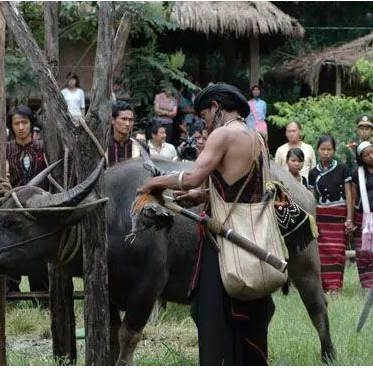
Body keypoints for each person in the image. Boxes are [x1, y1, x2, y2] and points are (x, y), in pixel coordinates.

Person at [137, 83, 274, 365]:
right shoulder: (257, 137)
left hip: (225, 243)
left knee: (213, 317)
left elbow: (191, 177)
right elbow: (242, 191)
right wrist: (199, 196)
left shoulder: (223, 134)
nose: (205, 123)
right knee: (247, 321)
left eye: (205, 116)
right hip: (252, 240)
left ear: (216, 107)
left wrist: (152, 182)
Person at [5, 105, 49, 293]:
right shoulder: (5, 150)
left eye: (24, 122)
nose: (21, 127)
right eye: (16, 123)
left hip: (40, 208)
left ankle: (41, 295)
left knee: (38, 252)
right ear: (11, 126)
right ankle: (11, 292)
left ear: (31, 124)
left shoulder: (43, 147)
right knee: (10, 248)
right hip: (13, 207)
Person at [308, 135, 354, 292]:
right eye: (322, 149)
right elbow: (312, 198)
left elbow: (349, 194)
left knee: (338, 252)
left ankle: (335, 288)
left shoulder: (342, 168)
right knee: (323, 253)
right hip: (322, 217)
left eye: (329, 149)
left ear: (334, 150)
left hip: (338, 215)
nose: (326, 153)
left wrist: (349, 217)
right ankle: (325, 287)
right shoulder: (313, 173)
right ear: (318, 150)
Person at [349, 141, 373, 289]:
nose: (371, 156)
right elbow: (353, 196)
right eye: (367, 154)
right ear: (361, 158)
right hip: (362, 217)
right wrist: (350, 219)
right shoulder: (357, 172)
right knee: (363, 253)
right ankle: (366, 285)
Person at [105, 101, 142, 167]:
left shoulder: (140, 147)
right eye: (124, 119)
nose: (127, 124)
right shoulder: (104, 147)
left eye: (130, 120)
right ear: (113, 120)